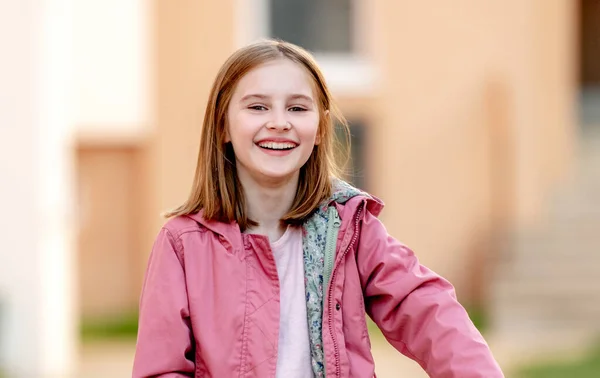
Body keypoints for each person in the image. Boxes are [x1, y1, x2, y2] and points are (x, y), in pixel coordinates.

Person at [132, 39, 504, 378]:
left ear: (321, 128)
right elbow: (161, 369)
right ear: (223, 126)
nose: (279, 122)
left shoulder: (349, 229)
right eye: (257, 107)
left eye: (297, 107)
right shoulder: (183, 244)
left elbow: (424, 307)